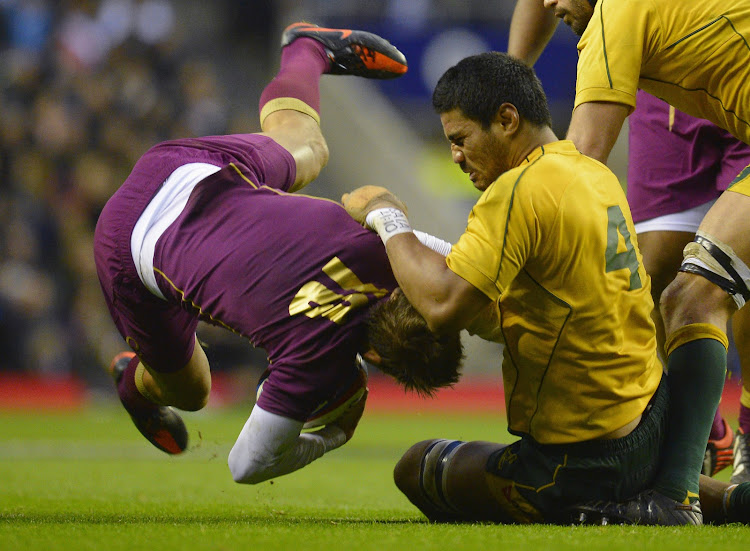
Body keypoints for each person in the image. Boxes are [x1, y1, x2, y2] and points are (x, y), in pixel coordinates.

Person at [342, 51, 750, 525]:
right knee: (627, 465)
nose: (454, 155)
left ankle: (596, 509)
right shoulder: (592, 174)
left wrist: (387, 215)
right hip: (648, 417)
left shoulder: (517, 191)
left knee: (418, 466)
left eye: (460, 139)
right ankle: (730, 500)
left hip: (587, 450)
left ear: (507, 119)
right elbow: (545, 306)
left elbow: (441, 304)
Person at [94, 22, 463, 486]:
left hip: (190, 171)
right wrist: (332, 436)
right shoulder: (310, 359)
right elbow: (245, 466)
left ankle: (306, 50)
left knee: (306, 146)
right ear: (379, 358)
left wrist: (387, 219)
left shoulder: (390, 257)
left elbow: (376, 206)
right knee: (192, 391)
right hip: (129, 243)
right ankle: (136, 389)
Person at [508, 0, 750, 485]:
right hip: (684, 114)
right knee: (678, 284)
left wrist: (494, 252)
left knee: (698, 293)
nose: (549, 4)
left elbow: (578, 168)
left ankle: (677, 492)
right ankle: (691, 444)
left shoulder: (617, 16)